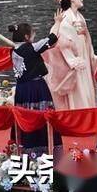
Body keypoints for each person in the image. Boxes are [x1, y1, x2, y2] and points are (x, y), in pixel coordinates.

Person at [9, 22, 60, 152]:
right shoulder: (31, 47)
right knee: (41, 115)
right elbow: (51, 38)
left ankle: (25, 145)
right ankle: (43, 145)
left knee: (25, 115)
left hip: (21, 88)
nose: (34, 36)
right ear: (26, 36)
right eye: (33, 34)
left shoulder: (13, 51)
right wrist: (58, 22)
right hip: (36, 87)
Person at [46, 0, 97, 110]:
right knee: (77, 90)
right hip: (74, 64)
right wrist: (73, 61)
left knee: (86, 87)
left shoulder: (80, 17)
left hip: (83, 58)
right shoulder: (66, 18)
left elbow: (86, 38)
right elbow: (61, 44)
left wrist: (92, 55)